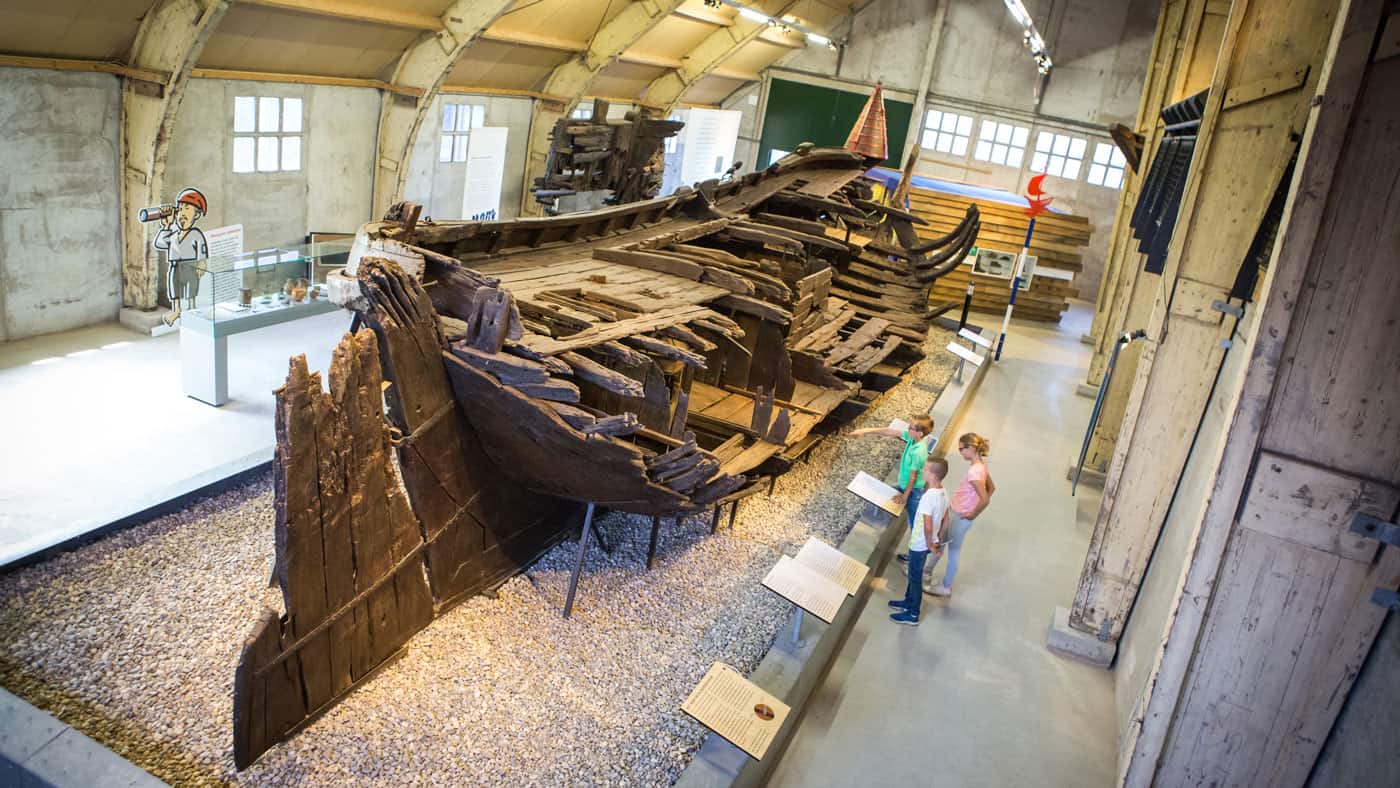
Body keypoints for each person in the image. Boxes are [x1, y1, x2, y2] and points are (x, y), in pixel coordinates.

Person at [924, 432, 993, 598]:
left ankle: (944, 586)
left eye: (962, 449)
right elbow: (992, 488)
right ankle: (927, 571)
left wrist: (971, 513)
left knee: (952, 550)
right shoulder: (980, 466)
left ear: (971, 448)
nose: (960, 452)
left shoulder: (974, 472)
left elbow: (985, 499)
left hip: (960, 516)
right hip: (959, 513)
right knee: (941, 542)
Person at [850, 414, 934, 535]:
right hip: (904, 483)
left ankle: (920, 547)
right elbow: (891, 431)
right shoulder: (913, 438)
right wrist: (866, 430)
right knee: (885, 494)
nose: (908, 428)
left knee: (914, 520)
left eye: (911, 427)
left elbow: (913, 477)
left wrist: (904, 497)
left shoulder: (918, 452)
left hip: (912, 491)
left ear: (919, 433)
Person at [889, 456, 949, 625]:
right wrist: (937, 542)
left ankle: (913, 613)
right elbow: (946, 519)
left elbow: (928, 525)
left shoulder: (928, 497)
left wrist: (930, 542)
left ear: (933, 475)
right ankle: (908, 601)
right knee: (914, 575)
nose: (923, 471)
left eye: (926, 470)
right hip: (928, 542)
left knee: (915, 578)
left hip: (919, 544)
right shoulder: (944, 492)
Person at [154, 187, 209, 326]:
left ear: (196, 215)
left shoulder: (196, 234)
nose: (181, 213)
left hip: (190, 266)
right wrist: (167, 225)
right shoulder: (173, 234)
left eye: (187, 208)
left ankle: (191, 307)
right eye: (180, 209)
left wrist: (202, 263)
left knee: (191, 288)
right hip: (175, 266)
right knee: (175, 288)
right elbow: (160, 243)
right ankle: (177, 310)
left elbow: (202, 249)